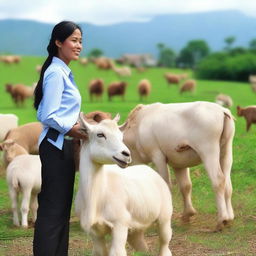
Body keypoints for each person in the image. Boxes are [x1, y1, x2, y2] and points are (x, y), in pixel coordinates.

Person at [33, 21, 87, 256]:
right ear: (58, 42)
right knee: (53, 211)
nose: (79, 46)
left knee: (60, 210)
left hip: (61, 146)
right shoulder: (56, 72)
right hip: (55, 145)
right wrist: (73, 130)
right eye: (74, 40)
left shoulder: (61, 70)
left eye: (80, 41)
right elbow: (47, 114)